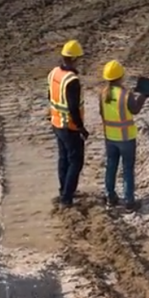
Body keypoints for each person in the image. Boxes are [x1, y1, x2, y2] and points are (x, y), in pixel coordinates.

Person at [99, 60, 147, 211]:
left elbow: (102, 114)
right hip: (126, 138)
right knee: (127, 169)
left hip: (110, 137)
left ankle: (110, 197)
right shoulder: (126, 94)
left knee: (111, 166)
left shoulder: (102, 94)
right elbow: (135, 110)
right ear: (121, 76)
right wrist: (143, 96)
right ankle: (129, 201)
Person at [47, 39, 88, 208]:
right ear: (76, 58)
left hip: (56, 122)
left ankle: (64, 189)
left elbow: (50, 96)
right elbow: (73, 108)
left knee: (63, 158)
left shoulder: (53, 73)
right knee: (76, 161)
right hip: (69, 126)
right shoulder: (72, 80)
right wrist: (81, 128)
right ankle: (67, 197)